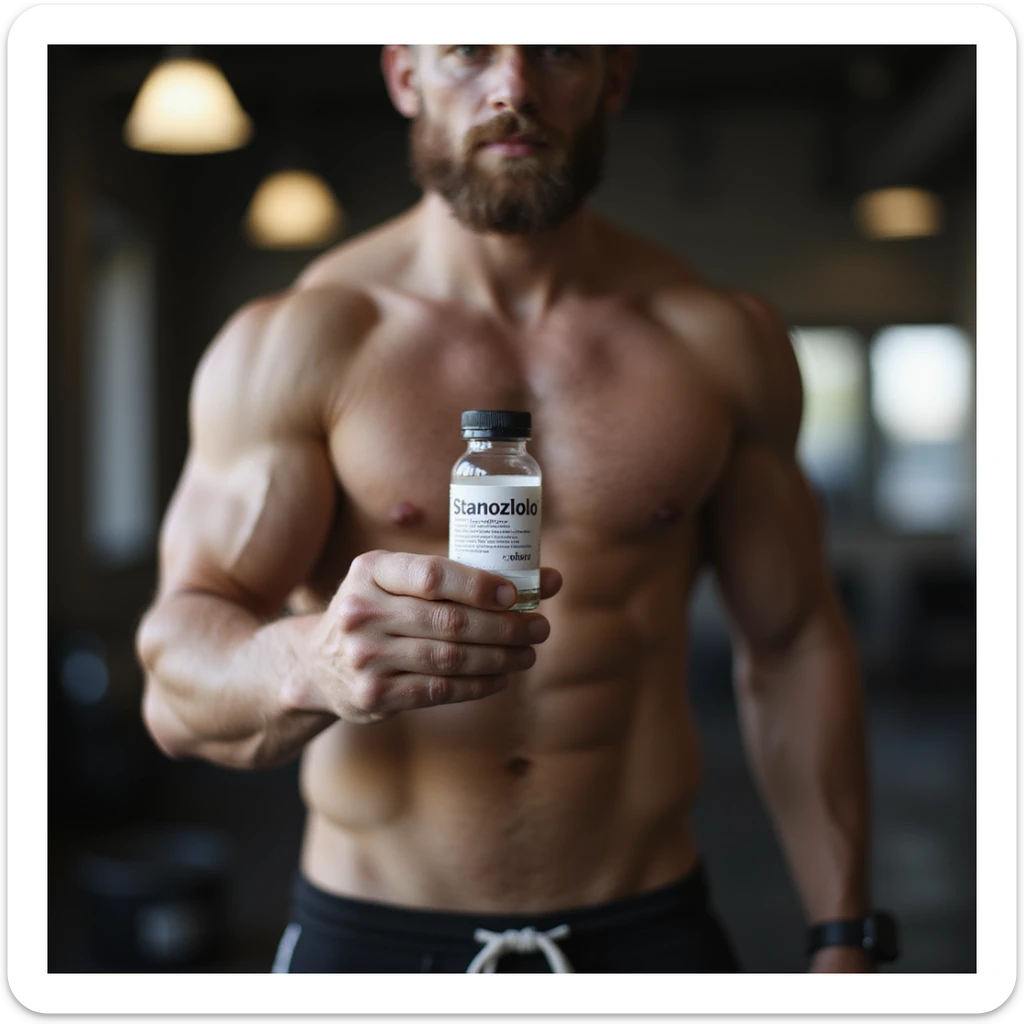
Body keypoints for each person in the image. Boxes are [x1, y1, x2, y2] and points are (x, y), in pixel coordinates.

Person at [135, 44, 875, 974]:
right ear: (404, 76)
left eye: (558, 50)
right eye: (466, 51)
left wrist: (843, 933)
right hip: (376, 941)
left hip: (649, 937)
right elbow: (175, 687)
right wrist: (310, 664)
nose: (512, 88)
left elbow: (796, 643)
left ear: (614, 79)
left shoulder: (719, 342)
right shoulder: (300, 341)